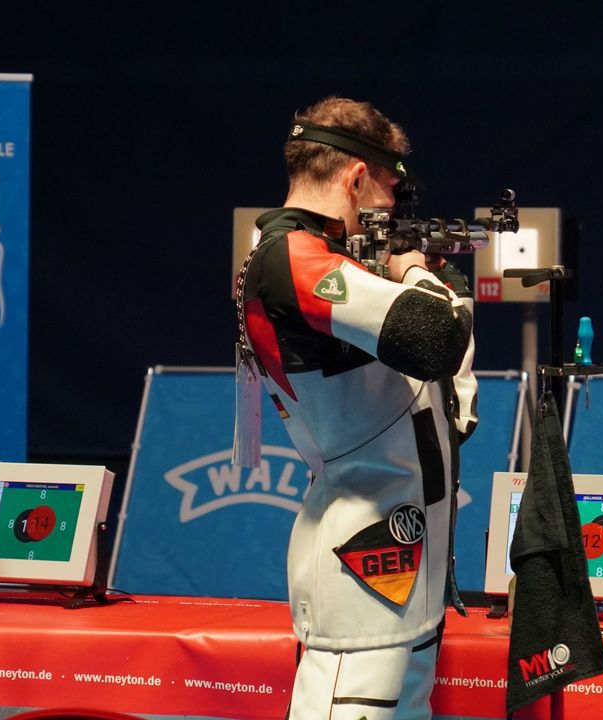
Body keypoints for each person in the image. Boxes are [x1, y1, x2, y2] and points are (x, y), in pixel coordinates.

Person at [236, 96, 477, 720]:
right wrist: (416, 270)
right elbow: (434, 337)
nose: (393, 208)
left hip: (410, 556)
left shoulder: (329, 257)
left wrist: (433, 285)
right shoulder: (289, 255)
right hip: (365, 560)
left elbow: (442, 390)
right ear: (356, 177)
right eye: (391, 189)